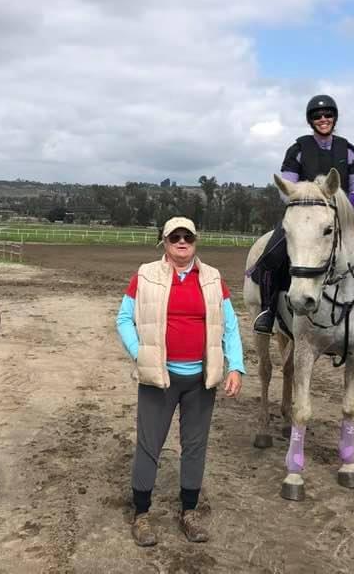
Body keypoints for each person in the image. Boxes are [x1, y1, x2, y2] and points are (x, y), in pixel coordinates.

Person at [115, 217, 245, 547]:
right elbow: (123, 319)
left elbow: (229, 326)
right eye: (175, 237)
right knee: (149, 445)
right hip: (158, 379)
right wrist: (140, 352)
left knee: (195, 446)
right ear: (165, 242)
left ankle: (188, 512)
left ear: (195, 241)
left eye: (188, 236)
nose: (182, 241)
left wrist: (236, 366)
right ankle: (141, 515)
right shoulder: (144, 276)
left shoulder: (214, 279)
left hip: (200, 380)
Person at [251, 94, 354, 334]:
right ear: (311, 120)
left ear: (334, 118)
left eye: (328, 115)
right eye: (317, 116)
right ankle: (268, 311)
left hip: (342, 218)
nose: (323, 119)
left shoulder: (349, 151)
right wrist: (304, 201)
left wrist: (348, 202)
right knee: (269, 258)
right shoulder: (297, 150)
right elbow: (286, 187)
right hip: (303, 218)